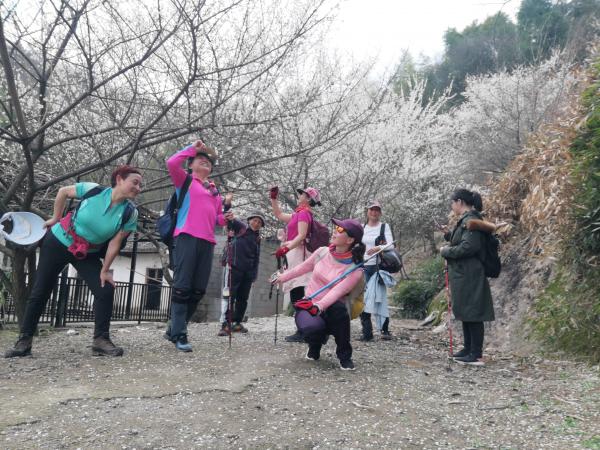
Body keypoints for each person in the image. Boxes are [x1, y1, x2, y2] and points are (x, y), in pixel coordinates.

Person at [4, 166, 142, 358]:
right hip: (58, 242)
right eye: (135, 182)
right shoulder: (94, 190)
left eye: (140, 185)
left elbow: (115, 243)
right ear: (119, 179)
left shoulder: (130, 213)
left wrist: (105, 270)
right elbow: (63, 192)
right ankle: (24, 342)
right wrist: (56, 217)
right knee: (40, 291)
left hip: (86, 253)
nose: (138, 188)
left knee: (105, 289)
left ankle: (100, 340)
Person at [165, 140, 233, 352]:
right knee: (182, 287)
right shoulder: (184, 181)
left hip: (207, 241)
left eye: (208, 161)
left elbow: (217, 218)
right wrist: (192, 149)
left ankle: (174, 328)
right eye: (200, 159)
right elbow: (171, 162)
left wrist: (225, 217)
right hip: (186, 237)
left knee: (198, 290)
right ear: (191, 164)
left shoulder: (214, 190)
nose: (206, 162)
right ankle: (180, 333)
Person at [273, 218, 366, 370]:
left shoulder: (355, 269)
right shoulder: (322, 252)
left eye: (340, 230)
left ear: (350, 240)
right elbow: (302, 268)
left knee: (340, 312)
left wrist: (319, 306)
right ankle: (315, 345)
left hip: (332, 307)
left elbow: (337, 292)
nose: (335, 231)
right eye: (336, 227)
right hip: (310, 302)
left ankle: (345, 356)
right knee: (312, 327)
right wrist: (282, 277)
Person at [440, 188, 494, 366]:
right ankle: (468, 348)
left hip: (471, 273)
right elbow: (463, 240)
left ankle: (476, 353)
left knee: (473, 312)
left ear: (460, 202)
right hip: (463, 273)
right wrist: (448, 235)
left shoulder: (471, 221)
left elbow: (469, 247)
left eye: (452, 202)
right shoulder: (466, 220)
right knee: (465, 311)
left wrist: (445, 251)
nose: (452, 206)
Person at [269, 185, 321, 342]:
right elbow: (278, 214)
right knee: (296, 293)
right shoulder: (298, 214)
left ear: (308, 199)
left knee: (297, 293)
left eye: (302, 194)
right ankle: (304, 329)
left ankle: (303, 331)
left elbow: (301, 236)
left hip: (298, 254)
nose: (299, 196)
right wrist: (273, 199)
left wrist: (286, 249)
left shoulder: (304, 213)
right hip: (294, 253)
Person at [218, 211, 265, 336]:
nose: (256, 223)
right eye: (255, 220)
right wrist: (230, 215)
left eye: (259, 222)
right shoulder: (241, 228)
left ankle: (237, 323)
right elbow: (233, 221)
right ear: (249, 220)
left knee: (243, 298)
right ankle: (225, 324)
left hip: (248, 272)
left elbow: (256, 257)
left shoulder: (257, 238)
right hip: (234, 267)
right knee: (230, 295)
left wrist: (254, 274)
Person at [359, 200, 394, 341]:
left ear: (380, 212)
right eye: (371, 209)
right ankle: (367, 332)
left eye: (377, 210)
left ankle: (385, 330)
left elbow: (391, 245)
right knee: (363, 297)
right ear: (367, 211)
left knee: (380, 297)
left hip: (378, 267)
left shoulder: (384, 227)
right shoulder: (362, 227)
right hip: (363, 265)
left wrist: (378, 248)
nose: (374, 212)